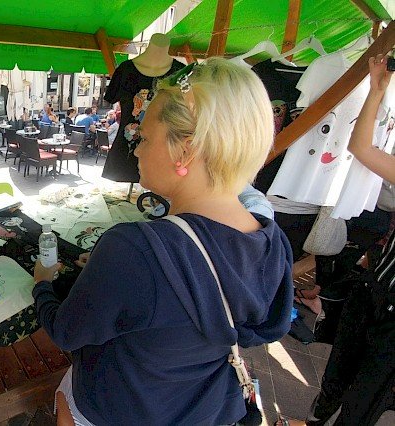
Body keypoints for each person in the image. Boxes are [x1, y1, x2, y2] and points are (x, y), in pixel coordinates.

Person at [32, 58, 293, 424]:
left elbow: (66, 332)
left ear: (185, 150)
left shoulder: (133, 249)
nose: (135, 150)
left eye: (144, 138)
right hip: (199, 409)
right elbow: (253, 326)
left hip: (117, 410)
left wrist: (42, 284)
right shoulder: (272, 240)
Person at [281, 54, 395, 426]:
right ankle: (314, 420)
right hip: (375, 288)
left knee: (365, 399)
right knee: (337, 375)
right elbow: (361, 150)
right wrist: (376, 90)